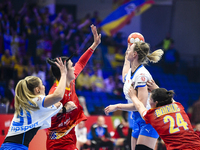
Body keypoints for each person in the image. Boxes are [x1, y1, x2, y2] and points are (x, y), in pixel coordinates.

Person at [46, 24, 101, 150]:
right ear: (64, 71)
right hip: (57, 142)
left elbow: (81, 62)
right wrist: (64, 110)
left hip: (70, 135)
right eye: (71, 66)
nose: (73, 68)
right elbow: (46, 111)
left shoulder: (71, 80)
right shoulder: (55, 91)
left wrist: (94, 44)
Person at [0, 58, 75, 150]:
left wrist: (63, 109)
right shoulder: (36, 100)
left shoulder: (28, 103)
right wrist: (63, 74)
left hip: (8, 146)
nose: (44, 87)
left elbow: (49, 110)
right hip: (16, 147)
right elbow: (58, 96)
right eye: (42, 84)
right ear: (37, 90)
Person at [105, 41, 164, 150]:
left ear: (135, 54)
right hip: (136, 118)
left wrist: (117, 106)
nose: (127, 51)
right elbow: (124, 74)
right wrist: (129, 49)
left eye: (130, 49)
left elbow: (140, 104)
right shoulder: (131, 73)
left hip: (148, 119)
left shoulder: (142, 75)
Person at [127, 80, 200, 150]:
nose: (149, 101)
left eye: (150, 99)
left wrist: (133, 96)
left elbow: (140, 106)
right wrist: (156, 88)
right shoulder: (178, 106)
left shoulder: (152, 115)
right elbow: (169, 99)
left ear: (155, 102)